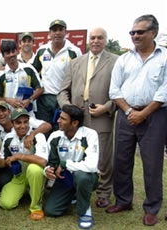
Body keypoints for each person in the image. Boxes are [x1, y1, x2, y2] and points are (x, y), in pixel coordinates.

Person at [106, 14, 167, 226]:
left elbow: (164, 90)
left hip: (155, 115)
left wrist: (144, 113)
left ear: (153, 33)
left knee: (152, 163)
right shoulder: (123, 59)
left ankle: (151, 207)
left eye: (140, 32)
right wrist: (130, 111)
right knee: (121, 160)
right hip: (125, 115)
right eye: (132, 32)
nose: (135, 36)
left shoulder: (164, 58)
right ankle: (123, 201)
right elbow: (114, 89)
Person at [57, 27, 118, 208]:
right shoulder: (75, 62)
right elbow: (63, 91)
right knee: (77, 153)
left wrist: (107, 107)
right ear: (88, 41)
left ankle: (104, 193)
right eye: (93, 38)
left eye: (100, 38)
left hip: (101, 116)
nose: (96, 41)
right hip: (77, 118)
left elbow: (120, 92)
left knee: (104, 157)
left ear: (105, 41)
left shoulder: (116, 61)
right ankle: (75, 189)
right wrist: (68, 109)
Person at [44, 105, 99, 229]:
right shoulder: (55, 136)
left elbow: (91, 166)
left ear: (74, 123)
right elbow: (50, 163)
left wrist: (65, 164)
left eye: (63, 119)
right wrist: (47, 170)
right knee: (51, 211)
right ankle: (74, 196)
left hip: (87, 177)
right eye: (59, 117)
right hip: (65, 179)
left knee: (82, 176)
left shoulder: (90, 135)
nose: (58, 121)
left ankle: (84, 210)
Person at [0, 107, 48, 221]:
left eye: (25, 122)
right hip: (19, 176)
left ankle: (35, 206)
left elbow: (43, 161)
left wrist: (18, 156)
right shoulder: (9, 138)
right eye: (18, 123)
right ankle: (24, 191)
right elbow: (4, 162)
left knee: (34, 169)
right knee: (6, 204)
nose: (23, 126)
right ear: (12, 123)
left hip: (35, 173)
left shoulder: (37, 136)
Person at [0, 101, 52, 191]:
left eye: (3, 110)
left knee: (34, 170)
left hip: (31, 164)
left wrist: (32, 135)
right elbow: (2, 160)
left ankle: (37, 188)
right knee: (4, 187)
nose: (1, 114)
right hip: (13, 165)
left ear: (9, 112)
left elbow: (47, 126)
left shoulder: (26, 120)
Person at [32, 20, 82, 125]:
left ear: (65, 32)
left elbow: (79, 77)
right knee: (43, 129)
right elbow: (33, 72)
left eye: (60, 30)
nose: (57, 33)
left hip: (64, 98)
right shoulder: (42, 50)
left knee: (61, 129)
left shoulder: (74, 51)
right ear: (49, 33)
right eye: (54, 30)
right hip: (44, 98)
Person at [0, 40, 43, 116]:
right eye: (7, 53)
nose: (11, 55)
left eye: (13, 51)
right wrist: (8, 100)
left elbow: (40, 89)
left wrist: (29, 100)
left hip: (27, 113)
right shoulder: (0, 75)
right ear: (3, 55)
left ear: (17, 52)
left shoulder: (28, 68)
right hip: (8, 115)